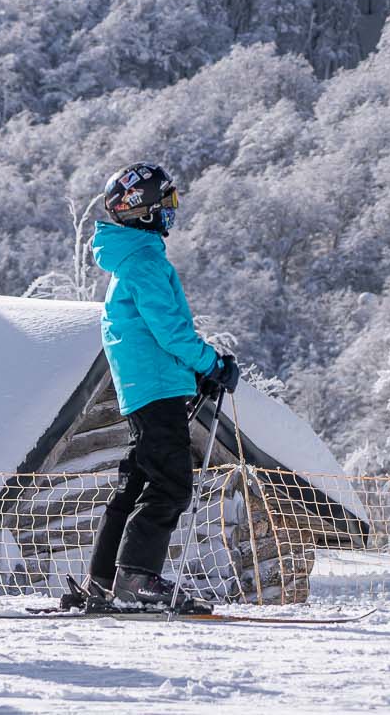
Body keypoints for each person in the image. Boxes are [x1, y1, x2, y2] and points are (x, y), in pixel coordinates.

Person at [76, 163, 239, 611]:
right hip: (158, 388)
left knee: (137, 482)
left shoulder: (129, 262)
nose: (172, 210)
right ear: (143, 210)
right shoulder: (145, 263)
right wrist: (211, 363)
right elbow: (170, 331)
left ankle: (104, 579)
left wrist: (195, 372)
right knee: (171, 484)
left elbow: (150, 333)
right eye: (166, 201)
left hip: (145, 388)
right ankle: (137, 579)